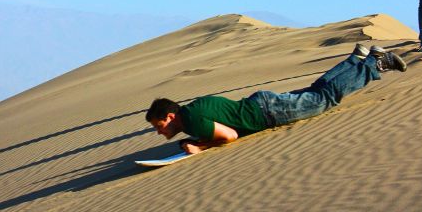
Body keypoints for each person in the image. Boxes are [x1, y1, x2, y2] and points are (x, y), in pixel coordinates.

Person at [146, 45, 406, 154]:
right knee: (316, 92)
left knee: (325, 97)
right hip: (263, 104)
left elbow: (230, 136)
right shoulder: (193, 110)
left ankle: (375, 63)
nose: (159, 133)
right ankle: (356, 60)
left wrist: (200, 147)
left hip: (268, 113)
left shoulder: (191, 122)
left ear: (170, 116)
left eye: (159, 126)